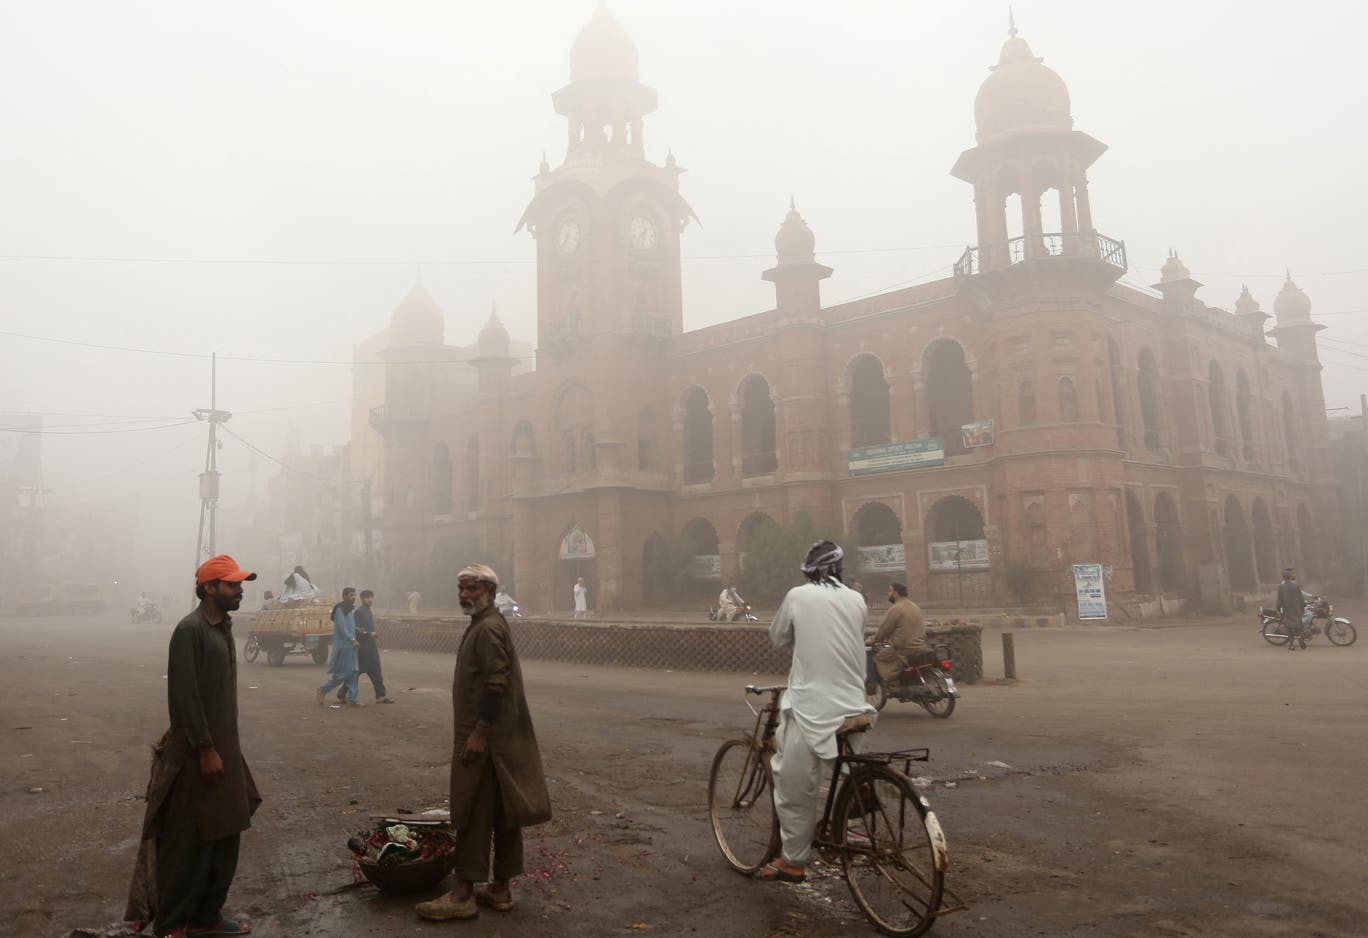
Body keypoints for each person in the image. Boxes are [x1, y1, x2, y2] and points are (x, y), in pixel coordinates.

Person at [126, 554, 262, 937]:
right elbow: (184, 695)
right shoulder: (191, 630)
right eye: (232, 584)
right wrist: (205, 748)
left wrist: (223, 748)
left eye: (240, 584)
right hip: (197, 753)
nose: (239, 590)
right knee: (189, 843)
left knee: (227, 834)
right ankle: (171, 924)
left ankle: (207, 916)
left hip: (225, 750)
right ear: (209, 588)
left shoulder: (222, 627)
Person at [416, 564, 551, 921]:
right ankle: (500, 888)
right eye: (461, 588)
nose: (464, 595)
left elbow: (497, 681)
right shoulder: (485, 624)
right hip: (496, 740)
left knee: (472, 811)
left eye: (472, 589)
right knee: (503, 813)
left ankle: (463, 894)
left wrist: (479, 732)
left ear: (490, 592)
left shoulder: (488, 628)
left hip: (485, 739)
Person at [756, 541, 876, 884]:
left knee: (794, 783)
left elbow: (778, 638)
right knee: (843, 762)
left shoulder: (798, 596)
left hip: (812, 708)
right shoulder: (857, 599)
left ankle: (793, 861)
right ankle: (855, 804)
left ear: (809, 572)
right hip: (855, 705)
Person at [338, 589, 394, 704]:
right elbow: (355, 630)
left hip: (370, 647)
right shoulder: (359, 612)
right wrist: (370, 634)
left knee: (375, 672)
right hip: (362, 649)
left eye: (371, 597)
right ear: (362, 599)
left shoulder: (368, 611)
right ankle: (342, 694)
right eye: (367, 598)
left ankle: (381, 696)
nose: (369, 600)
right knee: (356, 673)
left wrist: (372, 634)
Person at [867, 582, 927, 687]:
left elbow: (884, 630)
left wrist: (873, 639)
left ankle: (890, 680)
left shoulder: (896, 609)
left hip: (903, 649)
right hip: (920, 647)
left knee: (877, 657)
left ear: (896, 593)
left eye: (889, 591)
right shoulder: (914, 606)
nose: (888, 594)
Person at [316, 588, 361, 706]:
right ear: (344, 596)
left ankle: (354, 699)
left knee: (353, 672)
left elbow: (349, 626)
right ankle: (323, 689)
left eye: (354, 595)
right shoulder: (340, 609)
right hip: (344, 645)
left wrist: (357, 630)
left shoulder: (349, 609)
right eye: (351, 595)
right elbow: (342, 628)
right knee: (344, 673)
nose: (353, 597)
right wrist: (352, 639)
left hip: (351, 645)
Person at [1276, 568, 1306, 651]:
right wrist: (1303, 607)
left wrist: (1278, 609)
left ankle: (1292, 645)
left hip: (1287, 610)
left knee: (1289, 628)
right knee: (1299, 626)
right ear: (1290, 577)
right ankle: (1300, 637)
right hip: (1297, 609)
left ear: (1283, 577)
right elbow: (1301, 598)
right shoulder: (1296, 586)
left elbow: (1279, 600)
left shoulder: (1281, 587)